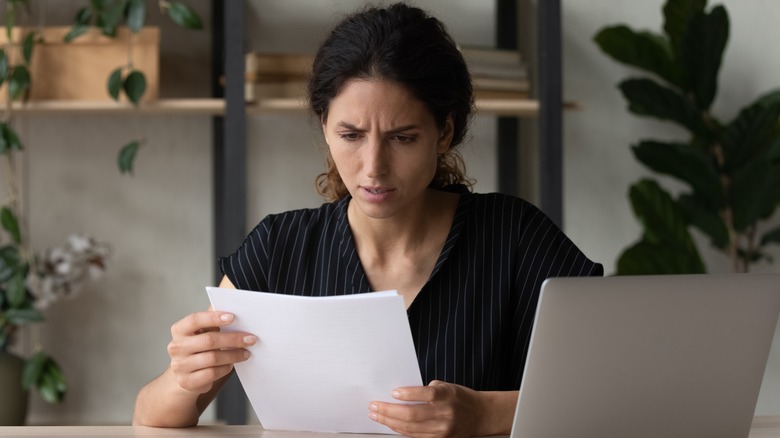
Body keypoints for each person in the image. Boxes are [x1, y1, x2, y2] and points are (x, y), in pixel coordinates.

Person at [133, 3, 603, 436]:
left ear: (445, 132)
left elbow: (607, 396)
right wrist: (183, 377)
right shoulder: (280, 247)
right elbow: (151, 419)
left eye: (402, 138)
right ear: (324, 126)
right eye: (350, 135)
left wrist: (483, 414)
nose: (373, 166)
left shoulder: (515, 236)